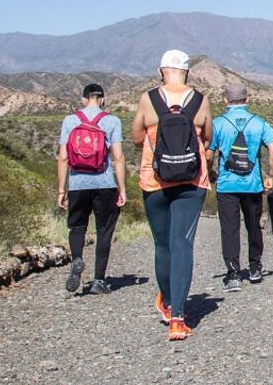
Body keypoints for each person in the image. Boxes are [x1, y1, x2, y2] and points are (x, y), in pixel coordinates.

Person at [132, 50, 212, 341]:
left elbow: (137, 137)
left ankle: (166, 302)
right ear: (187, 72)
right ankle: (179, 318)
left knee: (163, 245)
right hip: (192, 181)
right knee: (183, 244)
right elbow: (207, 138)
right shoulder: (200, 101)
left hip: (154, 181)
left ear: (161, 70)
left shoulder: (148, 99)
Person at [206, 82, 273, 292]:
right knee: (253, 225)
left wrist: (211, 172)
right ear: (247, 100)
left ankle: (233, 274)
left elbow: (209, 153)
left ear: (224, 100)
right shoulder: (259, 123)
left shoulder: (218, 124)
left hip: (227, 185)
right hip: (253, 184)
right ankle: (255, 267)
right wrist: (271, 176)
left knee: (230, 229)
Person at [56, 83, 127, 295]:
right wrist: (122, 188)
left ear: (83, 99)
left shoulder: (70, 121)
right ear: (103, 99)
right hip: (105, 184)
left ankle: (77, 258)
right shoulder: (112, 121)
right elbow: (119, 157)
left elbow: (63, 157)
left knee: (77, 226)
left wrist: (62, 190)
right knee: (104, 230)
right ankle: (98, 280)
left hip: (78, 184)